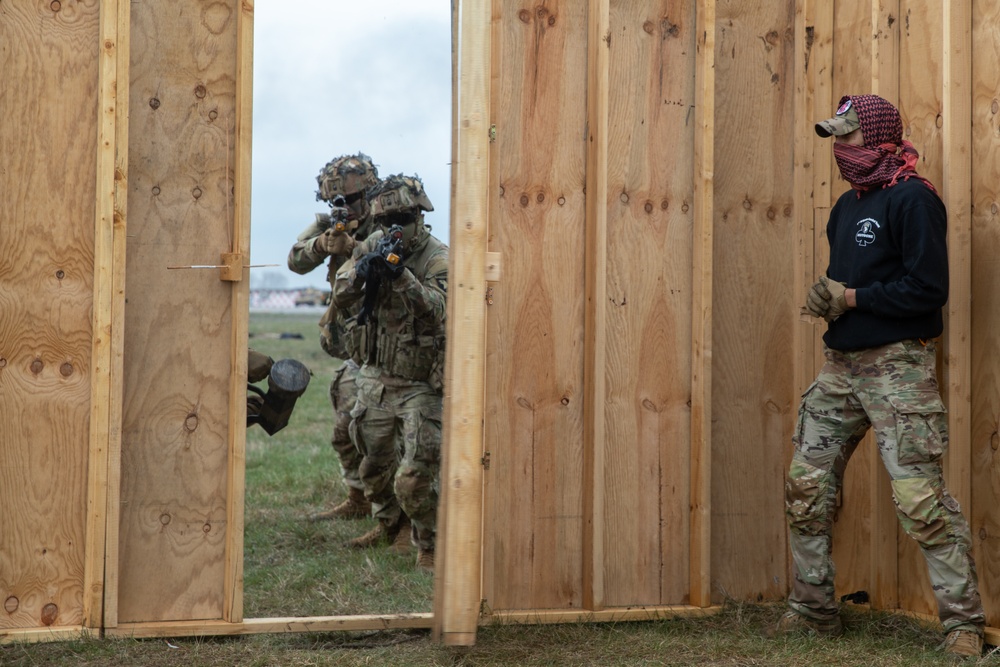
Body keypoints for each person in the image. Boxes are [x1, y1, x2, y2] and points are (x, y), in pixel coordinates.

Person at [778, 94, 986, 658]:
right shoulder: (846, 206)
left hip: (899, 368)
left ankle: (963, 626)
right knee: (805, 486)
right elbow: (851, 284)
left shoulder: (914, 200)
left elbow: (928, 291)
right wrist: (828, 296)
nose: (840, 149)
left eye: (848, 137)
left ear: (876, 138)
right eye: (835, 138)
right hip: (840, 366)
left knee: (921, 500)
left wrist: (852, 296)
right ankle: (813, 611)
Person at [333, 174, 447, 570]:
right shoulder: (371, 244)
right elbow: (341, 293)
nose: (395, 228)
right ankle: (389, 525)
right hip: (378, 375)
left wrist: (401, 276)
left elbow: (436, 310)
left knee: (414, 477)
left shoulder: (438, 257)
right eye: (387, 222)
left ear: (419, 215)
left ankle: (429, 544)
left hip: (420, 382)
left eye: (403, 218)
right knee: (372, 464)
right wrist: (362, 270)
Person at [287, 153, 379, 522]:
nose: (343, 208)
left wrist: (356, 249)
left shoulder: (388, 220)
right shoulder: (331, 225)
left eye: (351, 200)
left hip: (389, 340)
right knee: (344, 430)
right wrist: (323, 245)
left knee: (383, 434)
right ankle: (358, 499)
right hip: (357, 345)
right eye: (335, 202)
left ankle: (398, 515)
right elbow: (296, 259)